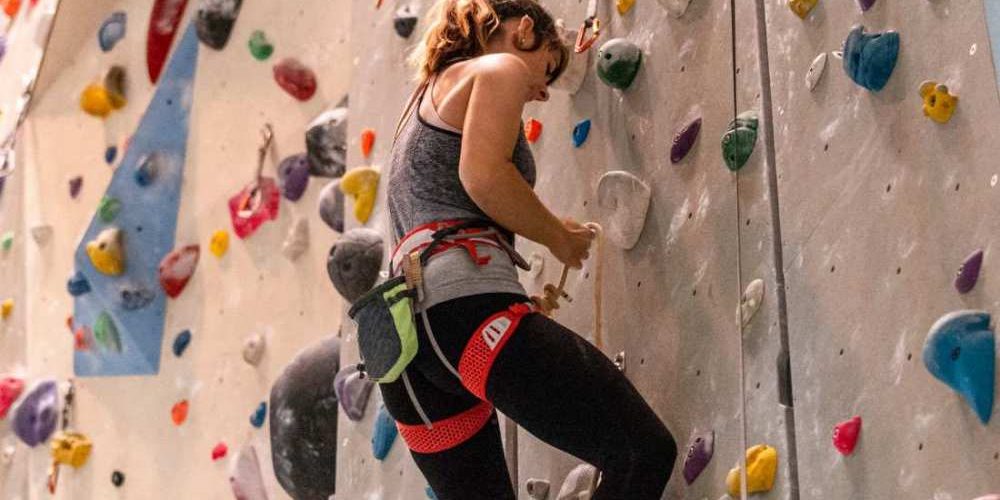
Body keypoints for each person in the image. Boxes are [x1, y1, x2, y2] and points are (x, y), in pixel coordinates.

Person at [380, 1, 677, 498]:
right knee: (641, 451)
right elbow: (482, 177)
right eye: (547, 67)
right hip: (466, 316)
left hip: (407, 353)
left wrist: (540, 228)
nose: (541, 91)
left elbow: (452, 201)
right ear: (522, 31)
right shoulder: (499, 67)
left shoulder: (419, 106)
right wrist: (557, 239)